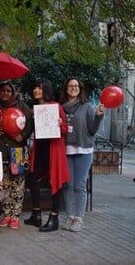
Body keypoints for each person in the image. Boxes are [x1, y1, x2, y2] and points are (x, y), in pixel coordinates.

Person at [24, 78, 69, 232]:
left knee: (55, 182)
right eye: (35, 88)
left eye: (40, 88)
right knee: (32, 178)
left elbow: (65, 129)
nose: (36, 90)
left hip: (53, 149)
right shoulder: (37, 108)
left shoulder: (56, 107)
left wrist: (59, 124)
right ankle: (36, 214)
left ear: (46, 90)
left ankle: (54, 218)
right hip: (41, 149)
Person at [60, 77, 104, 232]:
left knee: (79, 185)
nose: (74, 88)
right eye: (71, 85)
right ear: (66, 89)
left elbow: (92, 129)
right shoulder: (61, 108)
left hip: (84, 151)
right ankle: (70, 215)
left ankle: (79, 218)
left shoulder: (87, 107)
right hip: (66, 151)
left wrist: (99, 116)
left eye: (76, 86)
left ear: (80, 89)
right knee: (68, 185)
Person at [0, 82, 34, 229]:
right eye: (2, 90)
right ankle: (6, 214)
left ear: (13, 92)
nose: (5, 93)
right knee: (4, 184)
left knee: (18, 185)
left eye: (9, 91)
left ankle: (15, 216)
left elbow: (30, 123)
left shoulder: (21, 105)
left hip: (18, 151)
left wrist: (23, 135)